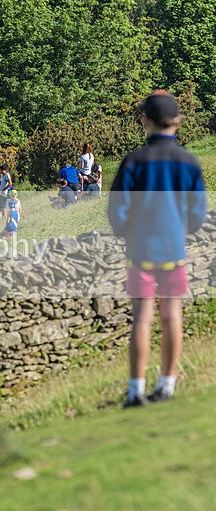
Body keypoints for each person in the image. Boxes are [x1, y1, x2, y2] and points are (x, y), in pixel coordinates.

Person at [108, 90, 207, 407]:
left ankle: (135, 391)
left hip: (140, 252)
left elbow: (117, 208)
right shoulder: (189, 162)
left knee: (142, 318)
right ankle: (166, 385)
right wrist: (183, 230)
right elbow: (198, 212)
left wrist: (126, 231)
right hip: (174, 250)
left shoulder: (134, 160)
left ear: (145, 121)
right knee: (172, 315)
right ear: (177, 121)